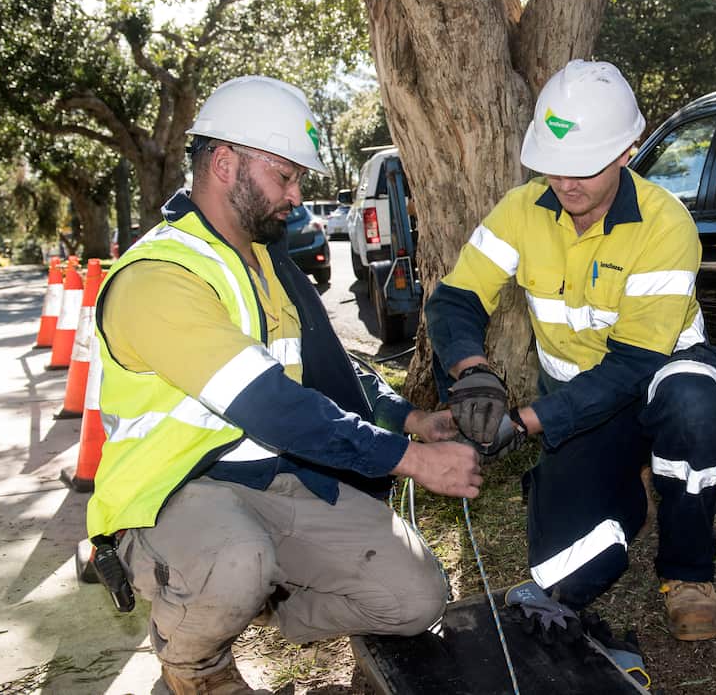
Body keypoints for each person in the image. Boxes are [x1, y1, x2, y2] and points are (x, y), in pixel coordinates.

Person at [86, 75, 482, 695]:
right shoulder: (158, 277)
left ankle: (267, 608)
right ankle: (198, 663)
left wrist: (408, 419)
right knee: (235, 560)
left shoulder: (266, 261)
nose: (297, 197)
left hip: (278, 481)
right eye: (286, 176)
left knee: (417, 598)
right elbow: (271, 402)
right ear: (224, 162)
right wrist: (411, 460)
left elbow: (325, 369)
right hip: (175, 494)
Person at [425, 60, 716, 642]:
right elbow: (455, 297)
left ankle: (688, 570)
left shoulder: (666, 224)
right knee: (561, 577)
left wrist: (521, 423)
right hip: (579, 402)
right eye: (554, 167)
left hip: (659, 382)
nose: (566, 184)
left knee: (693, 411)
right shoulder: (522, 209)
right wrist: (472, 371)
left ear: (628, 152)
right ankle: (627, 486)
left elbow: (633, 367)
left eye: (584, 168)